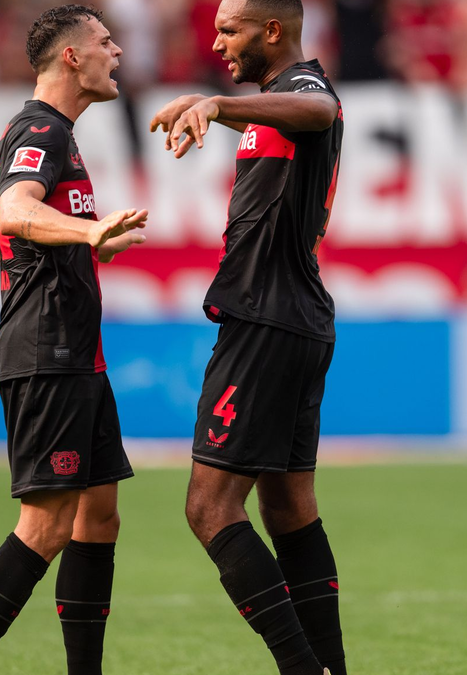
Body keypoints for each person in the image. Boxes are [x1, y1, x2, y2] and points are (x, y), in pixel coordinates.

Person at [0, 5, 147, 675]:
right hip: (45, 351)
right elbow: (15, 209)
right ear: (71, 58)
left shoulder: (64, 134)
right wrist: (89, 232)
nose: (117, 51)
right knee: (46, 525)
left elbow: (39, 232)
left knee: (100, 516)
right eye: (104, 42)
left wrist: (96, 243)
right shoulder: (39, 129)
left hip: (77, 354)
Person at [149, 0, 345, 674]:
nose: (216, 39)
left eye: (229, 28)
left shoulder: (304, 89)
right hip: (291, 317)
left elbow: (321, 111)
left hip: (267, 321)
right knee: (288, 504)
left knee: (209, 506)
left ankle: (302, 667)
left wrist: (218, 104)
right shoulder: (275, 102)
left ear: (272, 30)